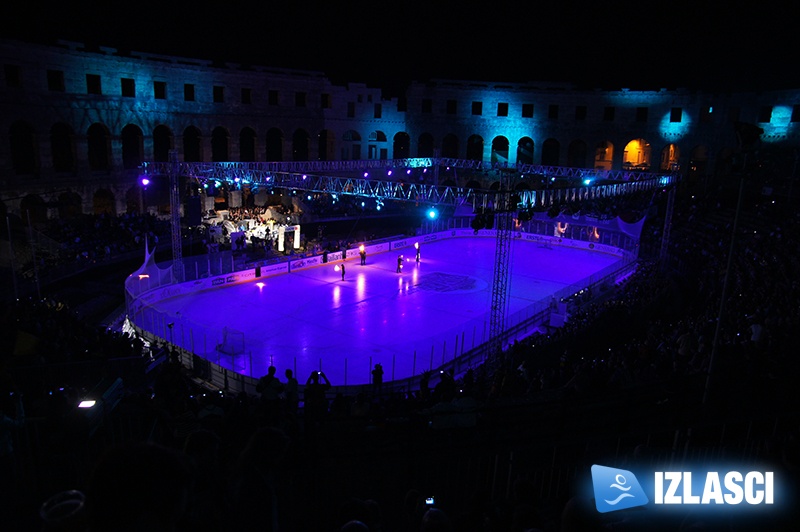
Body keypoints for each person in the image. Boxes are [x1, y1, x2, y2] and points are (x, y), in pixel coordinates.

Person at [304, 370, 331, 436]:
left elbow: (307, 385)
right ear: (318, 378)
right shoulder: (321, 387)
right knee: (321, 422)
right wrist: (324, 377)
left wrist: (310, 376)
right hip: (321, 407)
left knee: (312, 423)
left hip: (313, 407)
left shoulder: (311, 387)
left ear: (313, 378)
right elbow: (329, 386)